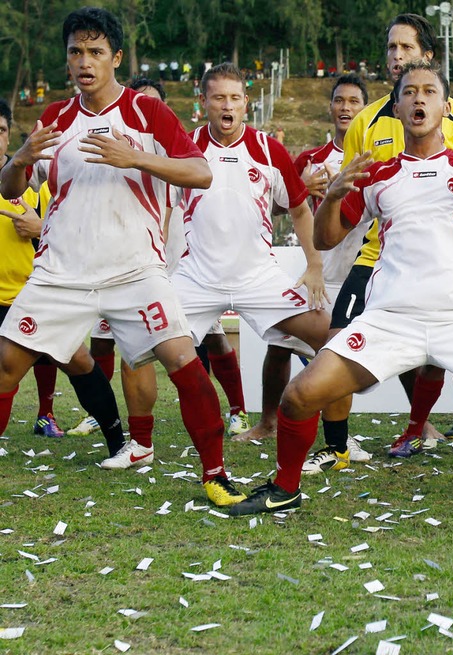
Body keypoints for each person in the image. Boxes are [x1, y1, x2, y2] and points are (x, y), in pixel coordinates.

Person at [228, 61, 453, 516]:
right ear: (396, 107)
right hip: (391, 320)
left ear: (446, 107)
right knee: (298, 397)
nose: (418, 98)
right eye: (409, 92)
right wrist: (333, 195)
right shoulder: (378, 174)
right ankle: (286, 487)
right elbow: (325, 239)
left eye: (429, 91)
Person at [0, 7, 244, 507]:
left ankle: (215, 475)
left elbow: (200, 172)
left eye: (95, 51)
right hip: (62, 271)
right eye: (75, 52)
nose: (84, 61)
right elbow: (11, 187)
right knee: (6, 363)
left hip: (135, 269)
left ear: (115, 57)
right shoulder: (55, 119)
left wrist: (135, 156)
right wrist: (20, 159)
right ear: (67, 60)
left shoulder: (145, 113)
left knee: (183, 362)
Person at [305, 13, 453, 472]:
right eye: (390, 48)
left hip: (441, 266)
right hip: (375, 256)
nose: (395, 57)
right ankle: (336, 446)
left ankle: (434, 427)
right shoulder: (366, 123)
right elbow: (348, 198)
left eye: (405, 49)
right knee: (334, 342)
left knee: (450, 355)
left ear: (427, 56)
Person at [170, 63, 331, 445]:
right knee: (144, 343)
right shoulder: (185, 147)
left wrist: (314, 264)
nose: (227, 105)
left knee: (329, 334)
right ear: (204, 102)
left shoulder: (267, 149)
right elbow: (164, 208)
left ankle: (334, 439)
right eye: (218, 98)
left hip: (259, 278)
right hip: (196, 278)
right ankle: (140, 442)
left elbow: (300, 209)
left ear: (246, 103)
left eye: (235, 98)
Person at [237, 74, 370, 469]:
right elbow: (277, 205)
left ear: (366, 110)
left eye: (354, 101)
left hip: (360, 272)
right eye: (339, 101)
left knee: (343, 353)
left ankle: (411, 427)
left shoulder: (378, 158)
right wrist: (304, 188)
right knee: (280, 345)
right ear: (330, 107)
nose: (346, 108)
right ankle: (267, 423)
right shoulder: (310, 158)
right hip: (316, 271)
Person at [0, 99, 63, 438]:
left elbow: (57, 227)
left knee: (47, 356)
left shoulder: (28, 182)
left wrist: (39, 227)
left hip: (25, 290)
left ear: (10, 137)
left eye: (1, 130)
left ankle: (45, 414)